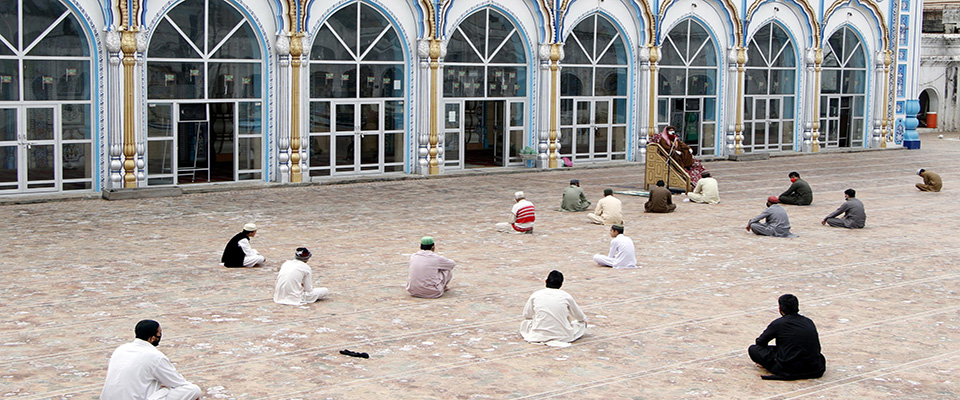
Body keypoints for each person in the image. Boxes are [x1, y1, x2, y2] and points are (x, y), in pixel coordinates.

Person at [101, 320, 202, 400]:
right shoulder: (155, 356)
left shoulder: (121, 349)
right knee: (193, 390)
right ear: (152, 338)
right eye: (159, 334)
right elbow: (178, 383)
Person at [748, 294, 826, 380]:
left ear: (780, 308)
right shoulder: (808, 321)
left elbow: (760, 342)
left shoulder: (778, 323)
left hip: (789, 369)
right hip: (814, 368)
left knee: (753, 349)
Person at [519, 270, 587, 345]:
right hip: (563, 336)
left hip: (539, 335)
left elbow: (526, 315)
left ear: (546, 281)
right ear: (561, 284)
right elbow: (580, 317)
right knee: (582, 324)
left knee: (526, 323)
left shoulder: (536, 295)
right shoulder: (566, 296)